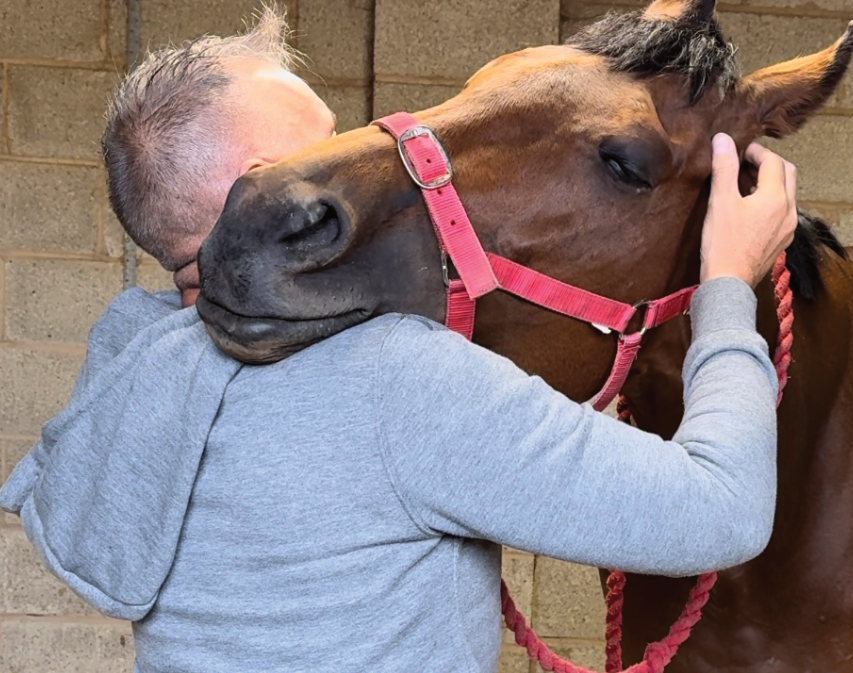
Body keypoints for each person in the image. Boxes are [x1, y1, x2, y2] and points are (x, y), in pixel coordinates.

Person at [0, 7, 799, 673]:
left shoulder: (131, 361)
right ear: (281, 195)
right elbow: (721, 508)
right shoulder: (396, 381)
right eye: (326, 151)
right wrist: (729, 280)